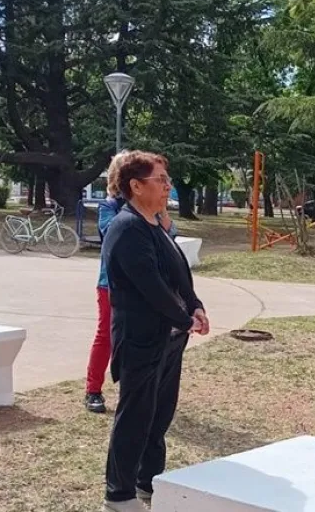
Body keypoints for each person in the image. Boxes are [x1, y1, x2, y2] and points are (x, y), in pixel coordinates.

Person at [100, 151, 209, 512]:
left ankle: (149, 482)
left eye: (167, 179)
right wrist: (183, 318)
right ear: (135, 185)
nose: (168, 186)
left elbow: (178, 273)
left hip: (169, 339)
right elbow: (151, 286)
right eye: (160, 180)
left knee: (159, 416)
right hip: (141, 339)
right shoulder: (127, 227)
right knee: (135, 416)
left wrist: (195, 305)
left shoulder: (154, 225)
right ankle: (119, 493)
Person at [84, 153, 179, 414]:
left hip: (147, 284)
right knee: (107, 335)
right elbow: (111, 232)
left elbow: (170, 236)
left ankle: (138, 387)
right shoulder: (111, 207)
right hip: (112, 284)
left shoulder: (153, 208)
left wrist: (162, 217)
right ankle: (93, 389)